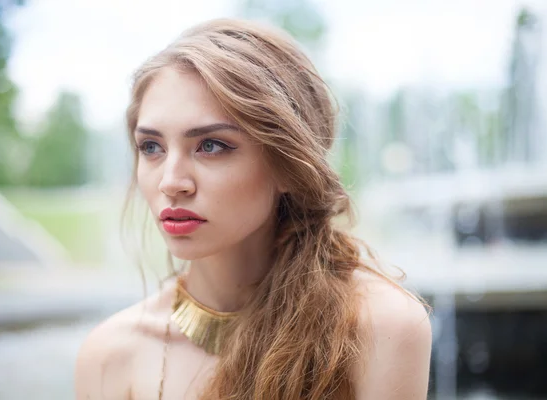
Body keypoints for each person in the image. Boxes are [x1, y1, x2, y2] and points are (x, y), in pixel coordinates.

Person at [75, 18, 432, 400]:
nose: (170, 181)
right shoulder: (110, 356)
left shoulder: (381, 327)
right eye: (151, 147)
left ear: (289, 165)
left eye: (211, 145)